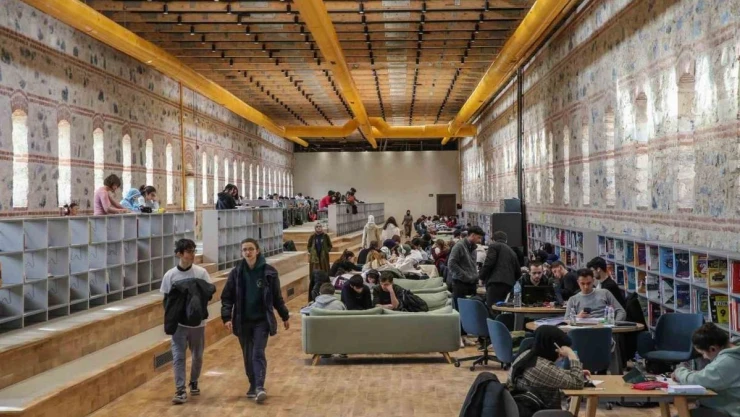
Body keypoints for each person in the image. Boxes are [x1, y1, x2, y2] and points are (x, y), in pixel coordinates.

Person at [221, 238, 290, 404]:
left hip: (262, 321)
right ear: (241, 252)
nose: (248, 252)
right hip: (243, 321)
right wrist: (226, 317)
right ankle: (252, 384)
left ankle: (260, 386)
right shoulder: (236, 273)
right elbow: (227, 297)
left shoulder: (269, 272)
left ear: (257, 251)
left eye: (251, 249)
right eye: (244, 249)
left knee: (258, 353)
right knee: (247, 356)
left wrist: (284, 316)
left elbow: (277, 298)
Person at [160, 239, 215, 405]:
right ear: (179, 254)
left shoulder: (201, 273)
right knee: (178, 356)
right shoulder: (170, 275)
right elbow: (166, 300)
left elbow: (209, 294)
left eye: (193, 251)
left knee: (197, 356)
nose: (192, 255)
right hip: (179, 324)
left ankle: (194, 381)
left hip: (198, 324)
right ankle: (180, 389)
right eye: (189, 251)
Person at [507, 325, 587, 411]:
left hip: (524, 408)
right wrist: (572, 355)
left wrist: (573, 373)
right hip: (542, 412)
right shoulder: (541, 367)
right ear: (555, 347)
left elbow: (552, 373)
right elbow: (578, 383)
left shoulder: (527, 354)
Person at [672, 323, 740, 417]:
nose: (704, 357)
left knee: (681, 415)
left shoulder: (725, 361)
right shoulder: (735, 355)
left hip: (730, 412)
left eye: (703, 353)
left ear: (713, 349)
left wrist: (679, 372)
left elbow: (697, 381)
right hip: (731, 407)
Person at [478, 231, 521, 308]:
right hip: (508, 285)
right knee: (503, 309)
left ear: (493, 240)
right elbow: (518, 272)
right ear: (506, 240)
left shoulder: (493, 246)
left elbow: (489, 263)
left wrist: (481, 277)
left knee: (492, 308)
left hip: (495, 283)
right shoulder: (512, 252)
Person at [448, 226, 484, 310]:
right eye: (478, 237)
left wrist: (475, 276)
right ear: (472, 235)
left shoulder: (473, 248)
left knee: (471, 310)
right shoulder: (459, 246)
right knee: (460, 310)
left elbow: (472, 265)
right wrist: (465, 275)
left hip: (471, 283)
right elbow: (451, 263)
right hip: (460, 284)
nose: (480, 240)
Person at [307, 224, 332, 291]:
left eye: (320, 226)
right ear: (315, 228)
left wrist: (326, 250)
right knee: (315, 270)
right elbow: (308, 246)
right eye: (317, 227)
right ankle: (315, 284)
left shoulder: (325, 236)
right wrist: (312, 251)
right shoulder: (312, 237)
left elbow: (330, 245)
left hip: (323, 256)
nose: (318, 228)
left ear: (322, 228)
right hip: (314, 257)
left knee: (324, 269)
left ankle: (325, 284)